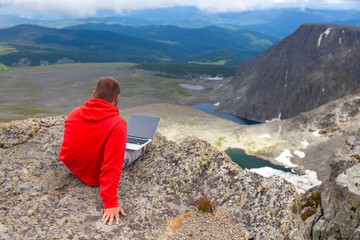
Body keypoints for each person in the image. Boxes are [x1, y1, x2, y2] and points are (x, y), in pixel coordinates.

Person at [59, 77, 145, 226]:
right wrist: (110, 202)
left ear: (94, 93)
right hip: (94, 175)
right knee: (141, 147)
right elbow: (113, 165)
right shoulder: (117, 124)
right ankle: (141, 144)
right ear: (117, 98)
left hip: (70, 167)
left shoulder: (74, 112)